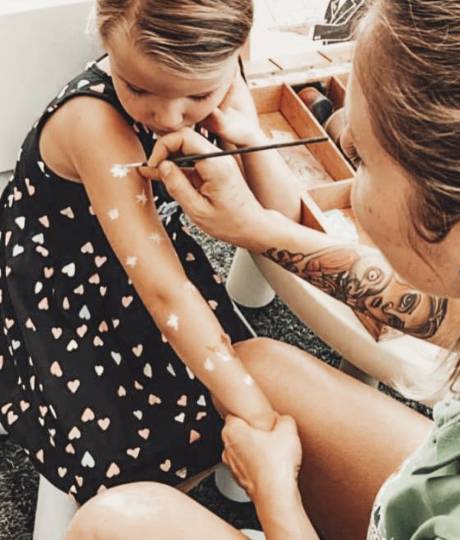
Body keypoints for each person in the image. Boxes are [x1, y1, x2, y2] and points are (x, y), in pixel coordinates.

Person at [66, 0, 460, 538]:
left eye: (360, 156)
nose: (346, 159)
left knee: (116, 522)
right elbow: (454, 316)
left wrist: (275, 494)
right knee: (262, 367)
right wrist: (255, 227)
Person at [0, 0, 303, 503]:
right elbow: (164, 292)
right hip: (61, 284)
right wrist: (258, 419)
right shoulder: (94, 123)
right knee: (128, 465)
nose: (168, 116)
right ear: (104, 40)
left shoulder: (223, 72)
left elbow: (279, 216)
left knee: (225, 387)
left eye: (197, 94)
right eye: (138, 88)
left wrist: (245, 133)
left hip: (151, 255)